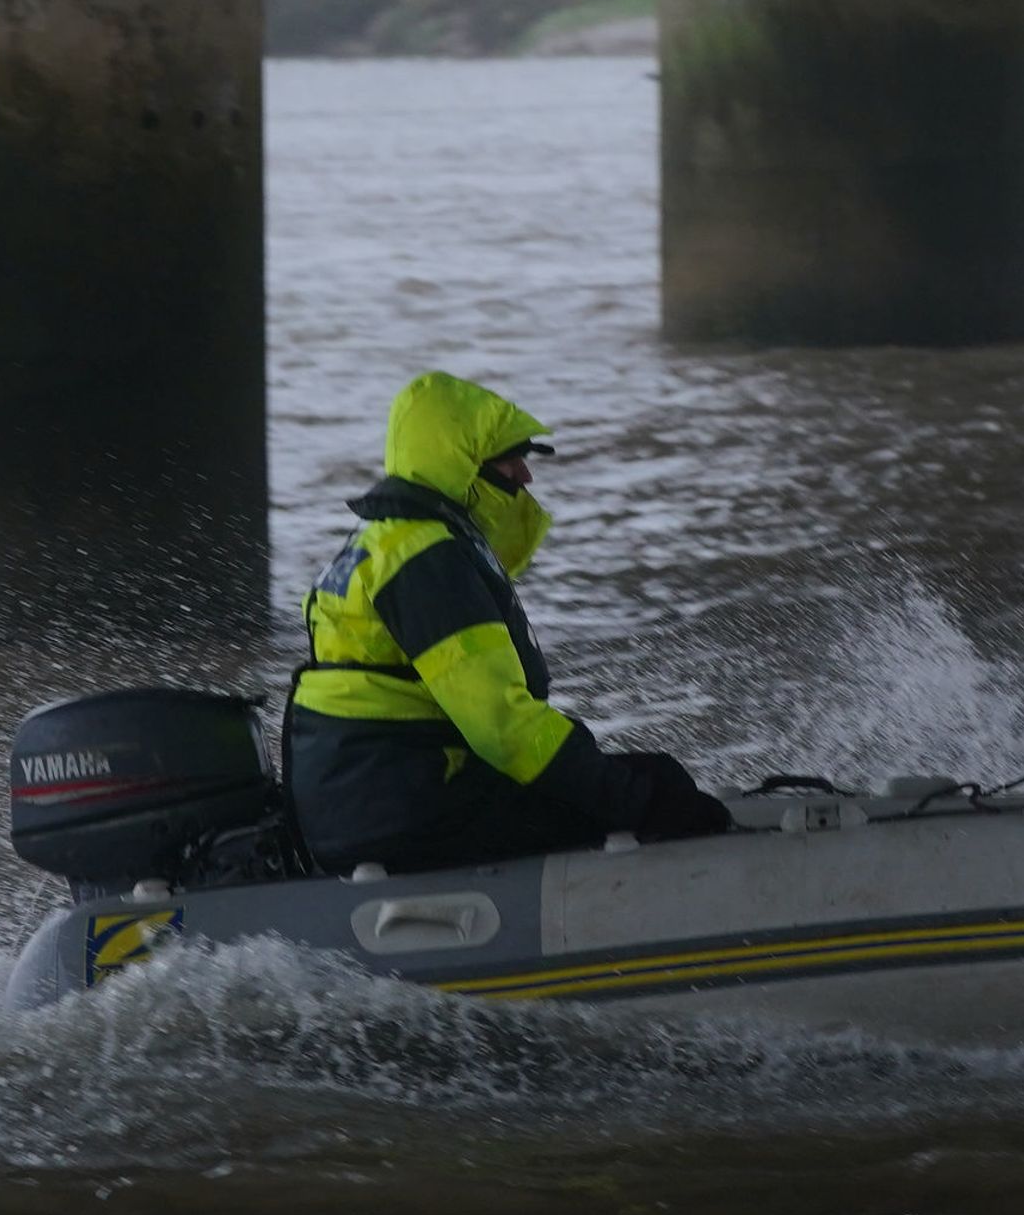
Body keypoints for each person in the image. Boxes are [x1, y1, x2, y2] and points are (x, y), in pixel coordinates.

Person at [288, 372, 735, 875]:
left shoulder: (384, 543)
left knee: (646, 780)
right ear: (459, 466)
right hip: (407, 810)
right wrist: (641, 805)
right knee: (659, 788)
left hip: (368, 798)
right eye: (509, 459)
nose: (525, 476)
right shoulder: (427, 562)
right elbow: (501, 725)